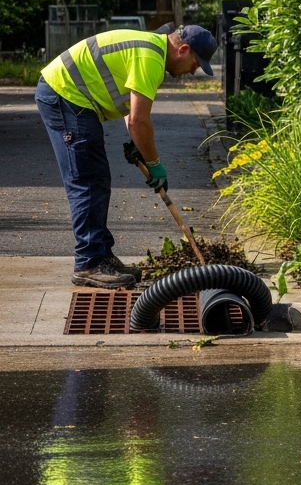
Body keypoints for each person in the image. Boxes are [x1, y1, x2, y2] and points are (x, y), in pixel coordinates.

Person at [35, 25, 217, 288]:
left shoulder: (150, 48)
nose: (194, 70)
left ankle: (100, 256)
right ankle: (88, 263)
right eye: (196, 63)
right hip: (65, 94)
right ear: (183, 49)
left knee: (97, 179)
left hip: (73, 97)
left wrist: (138, 146)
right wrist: (153, 164)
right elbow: (139, 121)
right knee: (88, 181)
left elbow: (130, 112)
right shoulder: (151, 57)